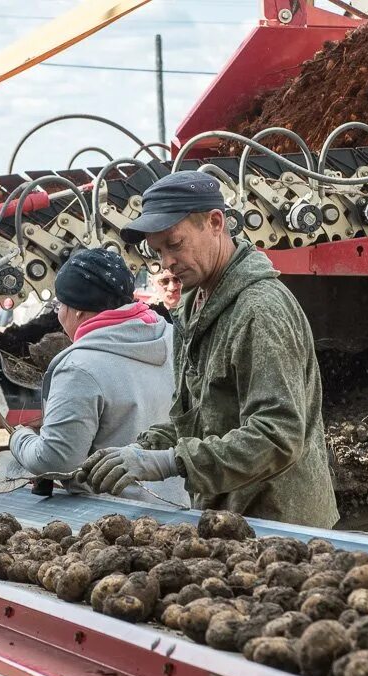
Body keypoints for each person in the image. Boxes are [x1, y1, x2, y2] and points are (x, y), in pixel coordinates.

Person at [81, 172, 338, 528]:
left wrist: (172, 462)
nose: (166, 262)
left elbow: (278, 436)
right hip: (225, 517)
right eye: (158, 252)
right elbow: (195, 418)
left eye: (175, 244)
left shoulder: (259, 311)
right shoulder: (194, 305)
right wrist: (142, 449)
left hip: (279, 524)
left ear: (215, 223)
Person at [9, 249, 187, 504]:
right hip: (183, 508)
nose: (59, 315)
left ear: (78, 312)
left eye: (61, 305)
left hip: (114, 523)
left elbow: (55, 462)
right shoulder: (175, 339)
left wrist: (20, 439)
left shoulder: (79, 368)